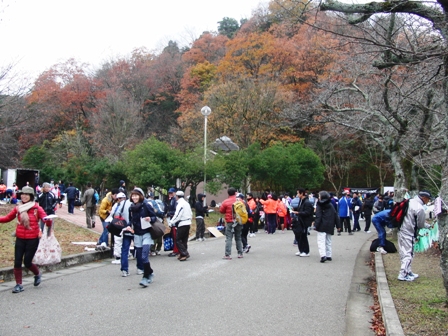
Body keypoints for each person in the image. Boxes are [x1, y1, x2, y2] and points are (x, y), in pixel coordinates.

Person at [0, 186, 51, 293]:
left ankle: (37, 274)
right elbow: (7, 218)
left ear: (31, 196)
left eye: (27, 194)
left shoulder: (37, 208)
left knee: (27, 262)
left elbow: (46, 220)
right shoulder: (18, 208)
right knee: (17, 262)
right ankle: (19, 284)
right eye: (22, 194)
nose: (24, 196)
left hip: (32, 239)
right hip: (20, 238)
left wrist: (48, 221)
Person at [397, 190, 432, 281]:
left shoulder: (410, 201)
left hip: (402, 229)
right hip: (409, 232)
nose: (428, 201)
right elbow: (420, 225)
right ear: (424, 198)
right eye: (428, 199)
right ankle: (403, 274)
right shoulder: (420, 208)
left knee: (404, 252)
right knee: (409, 253)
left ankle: (408, 271)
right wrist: (427, 226)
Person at [127, 188, 156, 287]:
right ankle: (150, 272)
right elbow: (130, 220)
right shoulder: (131, 207)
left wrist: (150, 218)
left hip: (147, 233)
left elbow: (154, 217)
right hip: (137, 234)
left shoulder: (146, 205)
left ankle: (145, 277)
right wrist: (128, 226)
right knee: (139, 256)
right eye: (133, 195)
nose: (134, 197)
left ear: (141, 196)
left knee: (144, 255)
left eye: (136, 195)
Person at [314, 191, 341, 263]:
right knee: (328, 240)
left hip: (322, 225)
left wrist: (316, 225)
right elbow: (335, 215)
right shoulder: (330, 204)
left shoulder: (319, 205)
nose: (318, 197)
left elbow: (318, 216)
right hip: (330, 224)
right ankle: (329, 255)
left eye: (319, 196)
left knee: (321, 241)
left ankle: (323, 255)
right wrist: (338, 225)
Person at [105, 192, 130, 264]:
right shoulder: (129, 204)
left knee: (118, 241)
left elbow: (113, 214)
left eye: (120, 198)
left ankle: (118, 257)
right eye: (118, 198)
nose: (119, 200)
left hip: (119, 225)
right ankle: (127, 254)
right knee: (126, 240)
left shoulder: (118, 205)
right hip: (127, 225)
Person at [220, 187, 243, 259]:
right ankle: (240, 253)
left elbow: (221, 211)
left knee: (229, 238)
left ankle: (227, 254)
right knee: (238, 237)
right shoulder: (240, 201)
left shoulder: (225, 201)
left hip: (230, 221)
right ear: (236, 193)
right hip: (238, 221)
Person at [169, 190, 193, 261]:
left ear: (177, 196)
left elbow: (177, 215)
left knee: (178, 239)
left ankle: (185, 253)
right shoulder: (186, 203)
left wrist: (171, 222)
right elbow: (191, 213)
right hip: (188, 222)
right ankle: (182, 254)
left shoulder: (180, 204)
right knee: (184, 240)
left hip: (182, 223)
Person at [291, 188, 314, 257]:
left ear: (302, 193)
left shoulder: (307, 202)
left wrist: (298, 212)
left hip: (304, 221)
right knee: (299, 235)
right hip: (300, 221)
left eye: (298, 193)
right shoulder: (301, 201)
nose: (297, 195)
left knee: (303, 236)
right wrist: (295, 210)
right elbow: (300, 209)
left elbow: (308, 212)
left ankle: (306, 251)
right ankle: (301, 250)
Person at [166, 187, 180, 257]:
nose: (170, 194)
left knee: (175, 235)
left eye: (171, 193)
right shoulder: (172, 200)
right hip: (172, 219)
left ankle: (176, 250)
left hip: (174, 220)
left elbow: (176, 211)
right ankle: (176, 249)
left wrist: (169, 213)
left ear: (174, 193)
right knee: (174, 235)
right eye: (169, 193)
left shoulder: (174, 200)